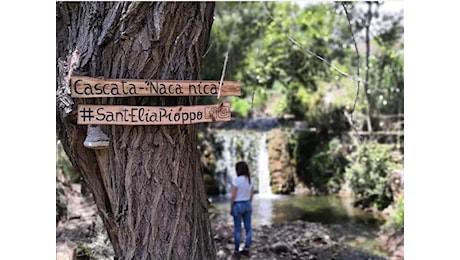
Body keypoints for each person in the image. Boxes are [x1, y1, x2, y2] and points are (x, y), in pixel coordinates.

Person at [230, 161, 254, 257]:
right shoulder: (250, 180)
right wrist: (248, 205)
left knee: (237, 229)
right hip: (248, 204)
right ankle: (247, 248)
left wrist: (231, 207)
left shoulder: (236, 180)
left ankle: (236, 251)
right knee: (248, 228)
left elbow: (233, 196)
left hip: (238, 205)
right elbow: (252, 195)